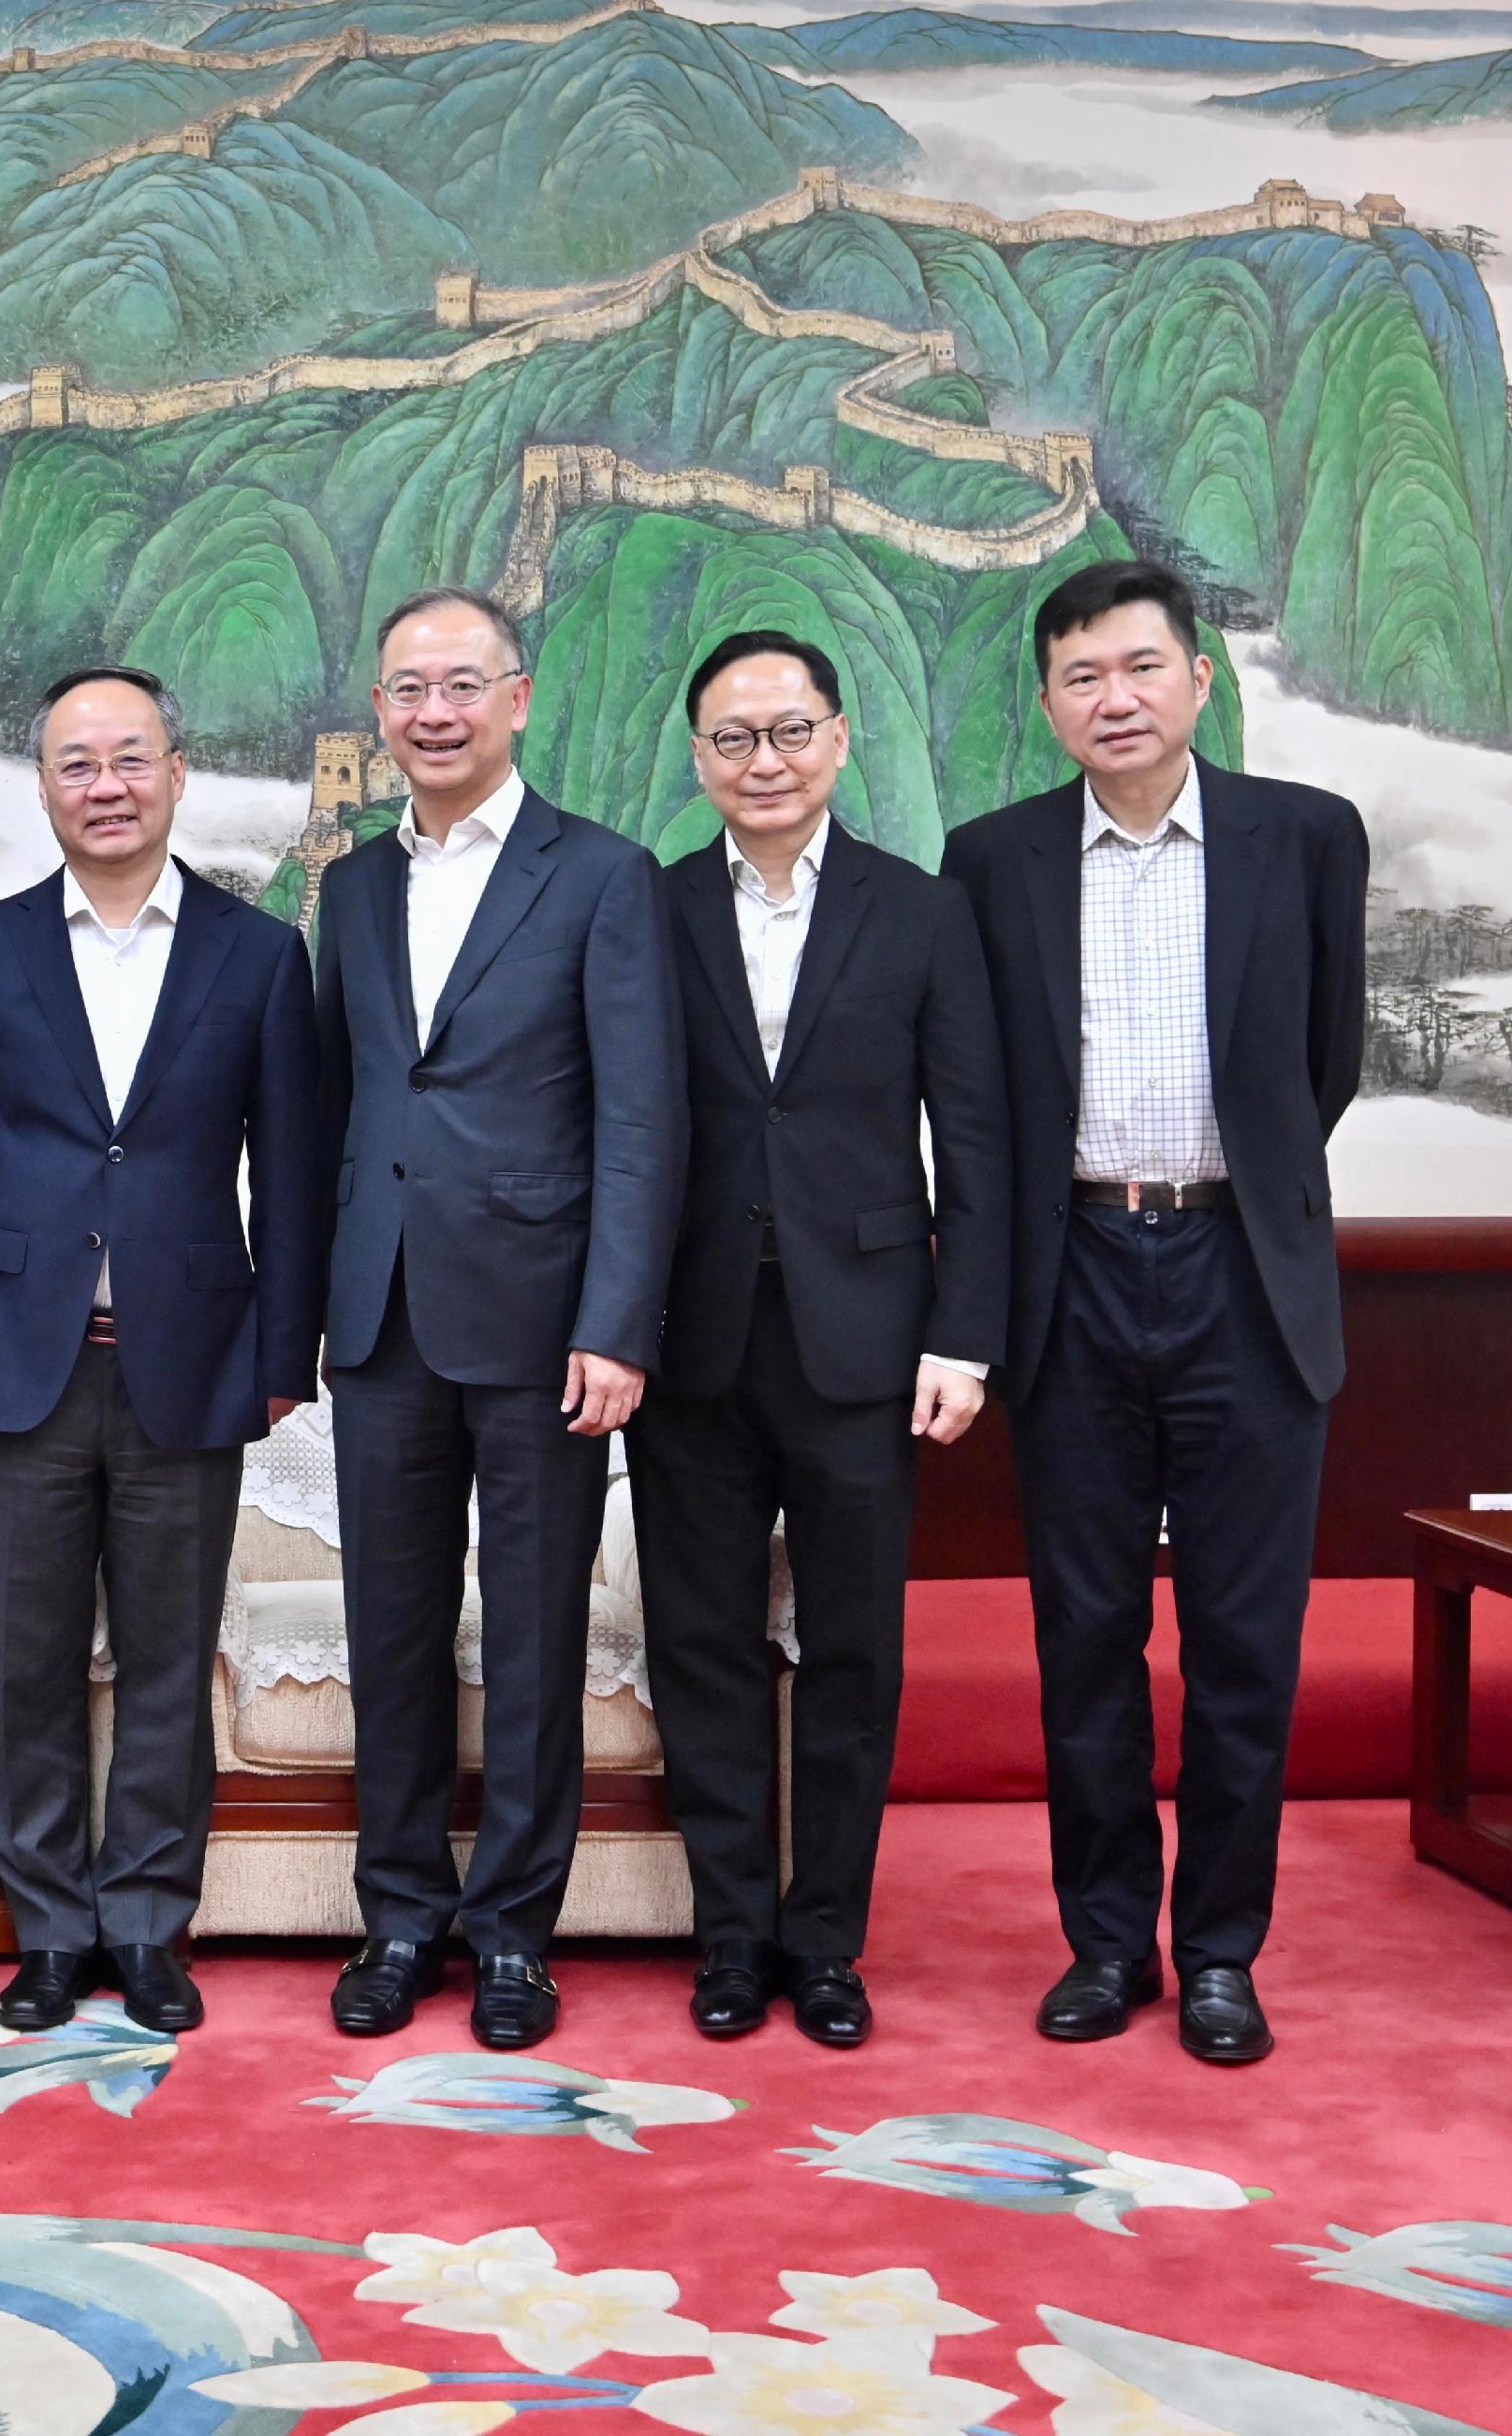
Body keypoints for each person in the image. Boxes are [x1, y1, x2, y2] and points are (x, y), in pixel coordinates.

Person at [942, 558, 1367, 2066]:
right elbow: (983, 1110)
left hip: (1245, 1279)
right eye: (1080, 677)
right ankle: (1109, 1941)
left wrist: (1231, 1198)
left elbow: (1325, 1065)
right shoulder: (989, 861)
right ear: (1048, 704)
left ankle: (1222, 1955)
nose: (1112, 698)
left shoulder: (1304, 839)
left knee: (1247, 1644)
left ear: (1197, 679)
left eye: (1139, 668)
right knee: (1087, 1638)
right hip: (1073, 1275)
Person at [0, 666, 325, 2033]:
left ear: (178, 772)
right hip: (18, 1356)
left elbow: (296, 1173)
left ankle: (147, 1922)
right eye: (77, 763)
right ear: (43, 785)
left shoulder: (258, 954)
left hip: (192, 1358)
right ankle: (47, 1928)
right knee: (26, 1662)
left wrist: (284, 1350)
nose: (107, 786)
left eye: (130, 759)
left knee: (163, 1657)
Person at [312, 585, 685, 2050]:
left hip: (546, 1329)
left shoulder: (601, 875)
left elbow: (642, 1122)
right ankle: (399, 1915)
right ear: (383, 714)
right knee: (389, 1632)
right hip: (384, 1317)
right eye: (408, 688)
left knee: (534, 1639)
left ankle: (516, 1932)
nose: (436, 712)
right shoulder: (348, 886)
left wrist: (617, 1321)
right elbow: (340, 1107)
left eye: (463, 684)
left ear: (518, 698)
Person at [625, 629, 1010, 2048]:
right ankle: (732, 1936)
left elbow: (972, 1138)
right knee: (703, 1646)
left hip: (869, 1344)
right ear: (699, 757)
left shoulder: (920, 912)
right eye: (734, 738)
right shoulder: (647, 909)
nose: (764, 761)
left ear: (839, 740)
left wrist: (964, 1334)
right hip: (692, 1339)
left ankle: (829, 1942)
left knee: (855, 1652)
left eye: (789, 732)